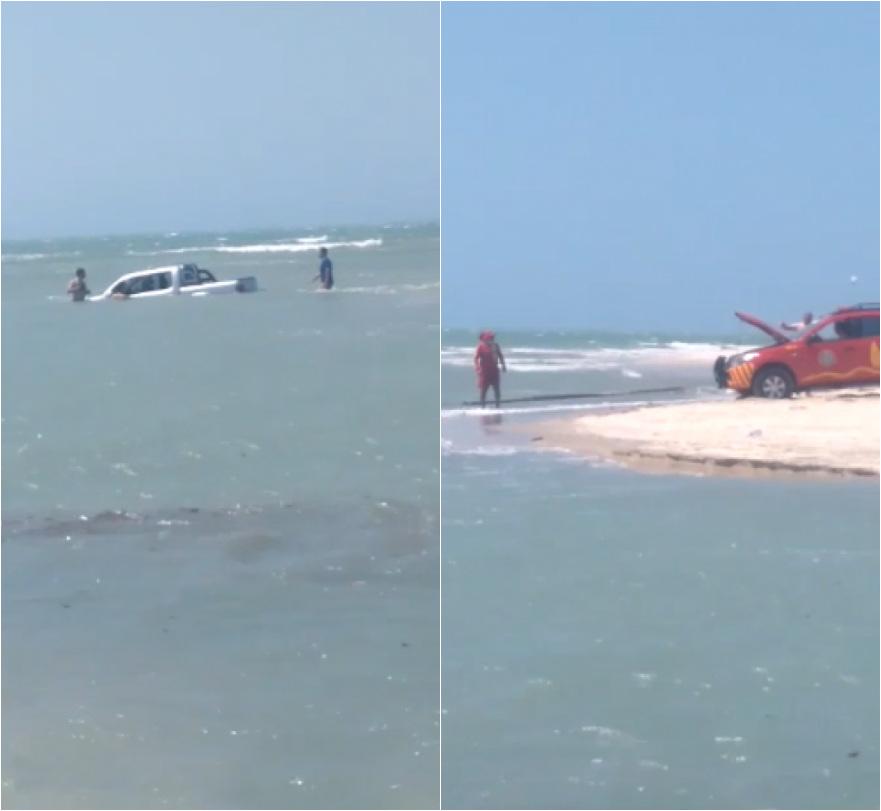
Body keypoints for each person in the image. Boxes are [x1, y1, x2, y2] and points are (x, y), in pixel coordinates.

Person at [474, 330, 506, 408]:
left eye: (492, 338)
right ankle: (482, 407)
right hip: (485, 372)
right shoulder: (481, 347)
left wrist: (503, 365)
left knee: (497, 390)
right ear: (485, 339)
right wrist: (478, 368)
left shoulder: (496, 346)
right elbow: (476, 358)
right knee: (483, 391)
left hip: (494, 371)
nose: (492, 340)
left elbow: (500, 356)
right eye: (490, 338)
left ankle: (498, 406)